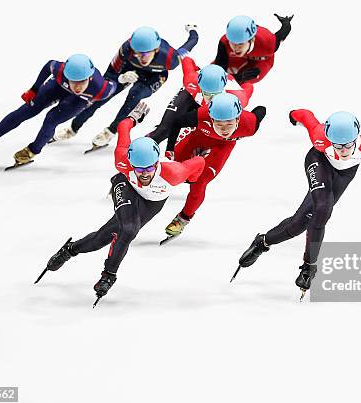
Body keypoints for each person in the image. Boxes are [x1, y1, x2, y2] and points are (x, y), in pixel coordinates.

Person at [40, 102, 205, 304]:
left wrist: (193, 178)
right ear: (130, 163)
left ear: (157, 164)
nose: (144, 174)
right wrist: (134, 116)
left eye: (148, 169)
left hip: (152, 202)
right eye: (139, 169)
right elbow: (123, 128)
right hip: (126, 186)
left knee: (102, 239)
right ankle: (108, 276)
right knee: (128, 229)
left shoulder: (174, 173)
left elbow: (200, 164)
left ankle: (69, 250)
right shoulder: (122, 160)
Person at [235, 109, 361, 298]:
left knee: (300, 223)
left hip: (345, 173)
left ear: (356, 138)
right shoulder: (320, 137)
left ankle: (262, 242)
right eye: (337, 145)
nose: (342, 151)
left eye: (347, 145)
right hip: (319, 161)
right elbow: (306, 116)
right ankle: (309, 267)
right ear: (328, 139)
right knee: (322, 209)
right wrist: (293, 115)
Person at [53, 25, 199, 148]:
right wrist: (121, 78)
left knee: (135, 94)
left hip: (154, 76)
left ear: (155, 50)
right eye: (137, 53)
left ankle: (111, 131)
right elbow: (108, 77)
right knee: (102, 96)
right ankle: (73, 128)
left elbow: (190, 43)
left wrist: (193, 31)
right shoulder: (126, 50)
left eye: (145, 54)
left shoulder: (170, 58)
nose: (141, 57)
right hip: (129, 70)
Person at [0, 54, 116, 165]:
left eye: (81, 82)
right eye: (73, 81)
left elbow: (113, 86)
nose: (77, 87)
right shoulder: (59, 69)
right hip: (57, 86)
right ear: (66, 75)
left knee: (51, 119)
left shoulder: (101, 88)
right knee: (25, 111)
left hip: (78, 100)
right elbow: (49, 65)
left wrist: (118, 81)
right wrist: (34, 89)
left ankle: (32, 150)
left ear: (90, 78)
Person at [154, 93, 266, 239]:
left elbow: (261, 110)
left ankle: (182, 219)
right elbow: (176, 122)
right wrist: (170, 149)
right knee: (174, 168)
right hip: (198, 138)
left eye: (229, 124)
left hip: (221, 147)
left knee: (200, 182)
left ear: (238, 119)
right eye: (219, 124)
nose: (224, 129)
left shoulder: (250, 125)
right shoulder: (201, 115)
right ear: (211, 119)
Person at [147, 55, 254, 147]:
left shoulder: (237, 98)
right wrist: (196, 69)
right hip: (191, 96)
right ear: (200, 87)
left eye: (216, 95)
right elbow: (187, 60)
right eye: (207, 94)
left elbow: (249, 86)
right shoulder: (191, 81)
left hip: (217, 103)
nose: (211, 99)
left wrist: (242, 79)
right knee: (164, 130)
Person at [212, 14, 293, 85]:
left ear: (252, 40)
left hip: (262, 60)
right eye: (232, 43)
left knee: (246, 80)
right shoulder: (224, 42)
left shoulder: (268, 43)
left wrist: (286, 22)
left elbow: (284, 31)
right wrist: (238, 77)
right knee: (215, 75)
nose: (235, 48)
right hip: (242, 57)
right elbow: (220, 73)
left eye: (240, 44)